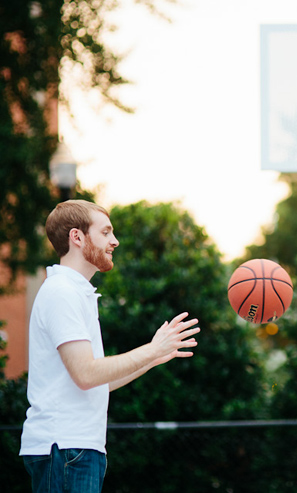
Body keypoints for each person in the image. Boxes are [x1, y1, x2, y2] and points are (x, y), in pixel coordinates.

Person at [20, 200, 200, 493]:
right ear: (77, 237)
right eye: (106, 232)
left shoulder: (76, 292)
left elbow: (95, 382)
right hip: (65, 447)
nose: (114, 241)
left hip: (76, 448)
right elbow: (87, 374)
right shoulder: (62, 292)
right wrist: (151, 349)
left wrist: (153, 358)